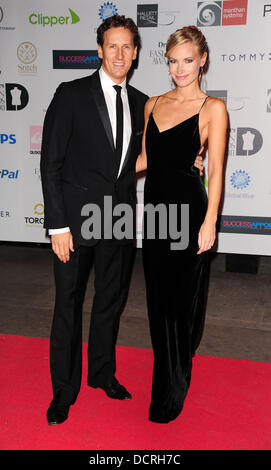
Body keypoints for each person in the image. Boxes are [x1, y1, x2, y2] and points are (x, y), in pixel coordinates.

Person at [41, 15, 204, 425]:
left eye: (127, 47)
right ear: (99, 50)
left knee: (109, 303)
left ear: (135, 53)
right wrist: (57, 225)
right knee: (68, 305)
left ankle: (101, 374)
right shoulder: (71, 94)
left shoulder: (143, 103)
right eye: (111, 46)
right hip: (74, 224)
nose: (119, 54)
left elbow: (152, 157)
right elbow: (50, 164)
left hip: (117, 220)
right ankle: (63, 391)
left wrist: (191, 159)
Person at [136, 26, 227, 423]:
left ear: (202, 60)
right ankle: (170, 370)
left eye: (188, 60)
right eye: (173, 61)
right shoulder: (153, 104)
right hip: (156, 214)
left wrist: (210, 222)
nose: (180, 69)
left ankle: (172, 385)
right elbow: (142, 160)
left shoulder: (213, 109)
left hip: (191, 214)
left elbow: (217, 171)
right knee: (158, 301)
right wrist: (95, 169)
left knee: (182, 305)